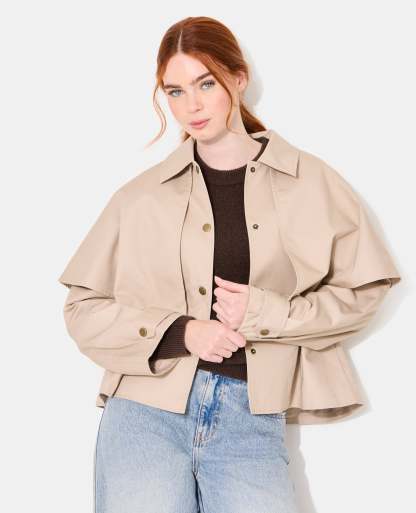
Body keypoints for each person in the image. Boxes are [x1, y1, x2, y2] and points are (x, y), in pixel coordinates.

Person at [58, 16, 401, 513]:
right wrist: (182, 332)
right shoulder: (140, 197)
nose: (191, 106)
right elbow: (82, 309)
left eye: (206, 84)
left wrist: (266, 312)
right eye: (175, 91)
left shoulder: (310, 181)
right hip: (144, 415)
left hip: (250, 418)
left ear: (238, 79)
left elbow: (364, 290)